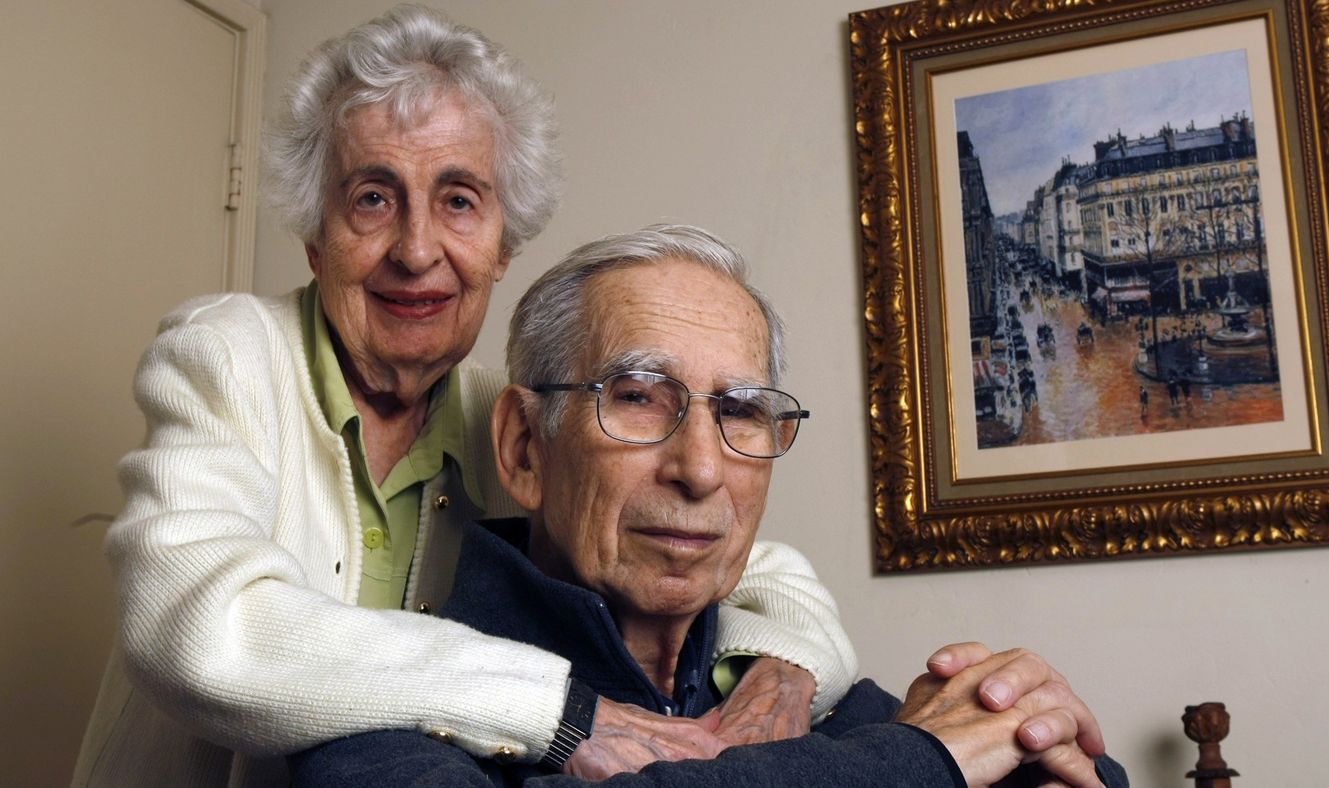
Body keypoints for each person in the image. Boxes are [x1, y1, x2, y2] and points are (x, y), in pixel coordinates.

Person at [72, 9, 858, 786]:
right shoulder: (228, 355)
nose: (417, 252)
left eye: (458, 201)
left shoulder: (515, 415)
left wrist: (784, 670)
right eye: (373, 199)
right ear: (315, 236)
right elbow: (196, 629)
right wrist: (561, 712)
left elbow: (745, 559)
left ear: (503, 245)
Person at [292, 225, 1128, 787]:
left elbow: (1079, 768)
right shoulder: (385, 716)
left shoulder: (808, 696)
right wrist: (920, 764)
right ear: (523, 448)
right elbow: (927, 761)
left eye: (739, 411)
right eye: (638, 398)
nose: (700, 469)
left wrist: (1015, 735)